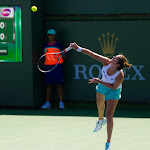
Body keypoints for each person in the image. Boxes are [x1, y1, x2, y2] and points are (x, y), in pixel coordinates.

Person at [70, 42, 132, 150]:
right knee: (99, 104)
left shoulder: (120, 75)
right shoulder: (106, 62)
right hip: (103, 85)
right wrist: (78, 48)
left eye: (115, 58)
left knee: (109, 115)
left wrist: (99, 81)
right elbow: (91, 54)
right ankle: (100, 120)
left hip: (113, 91)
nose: (112, 58)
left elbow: (113, 87)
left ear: (117, 65)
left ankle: (108, 143)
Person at [41, 29, 65, 109]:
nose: (51, 37)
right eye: (49, 35)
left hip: (57, 67)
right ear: (48, 36)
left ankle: (61, 103)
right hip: (48, 67)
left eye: (52, 35)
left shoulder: (58, 45)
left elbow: (64, 56)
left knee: (59, 85)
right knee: (48, 85)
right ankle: (47, 103)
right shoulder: (45, 46)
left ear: (55, 36)